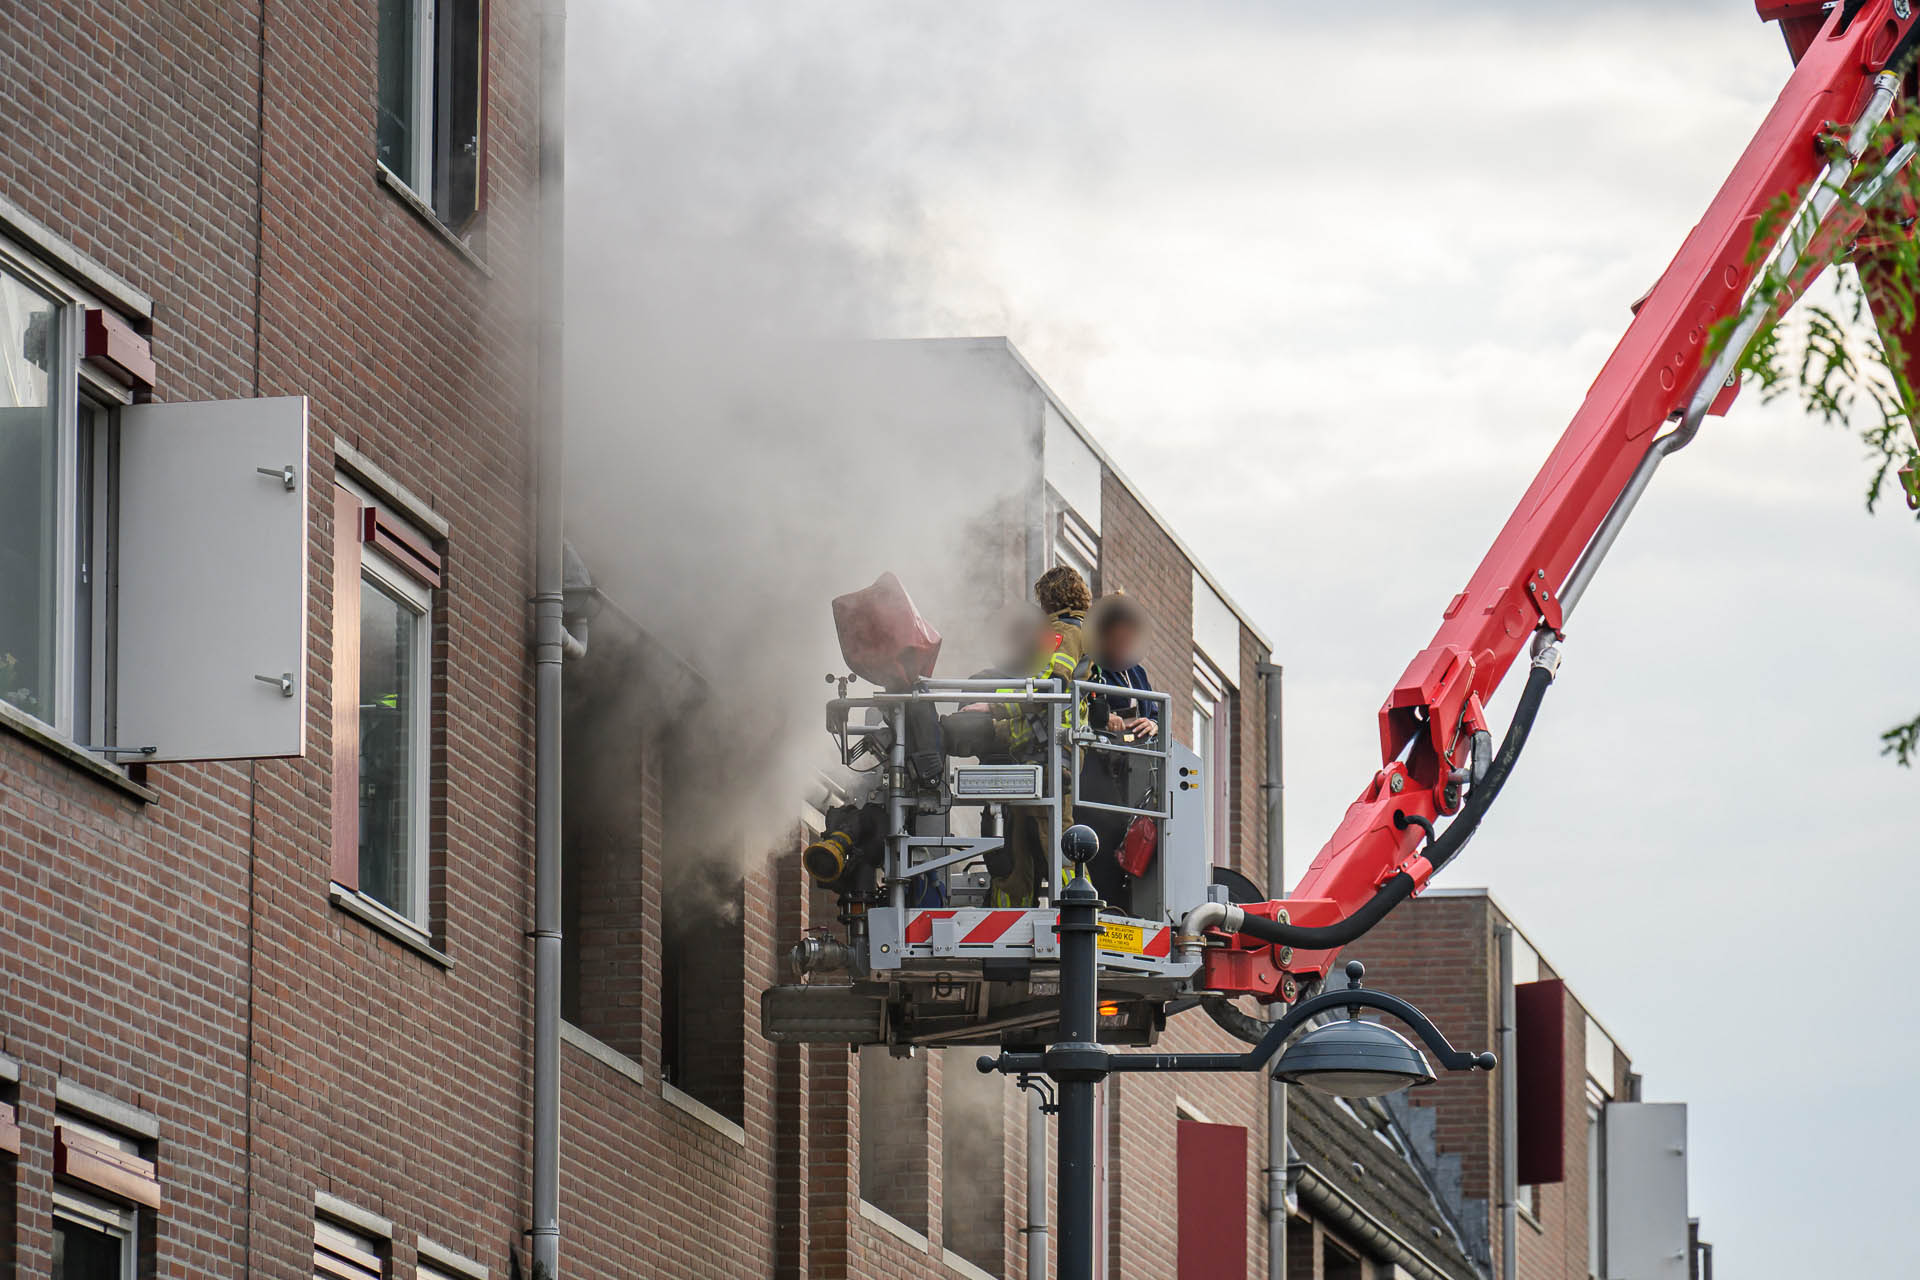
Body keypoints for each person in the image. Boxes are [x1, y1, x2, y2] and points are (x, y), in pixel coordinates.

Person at [986, 565, 1094, 907]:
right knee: (1020, 841)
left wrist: (994, 708)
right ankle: (1011, 911)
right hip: (1040, 752)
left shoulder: (1062, 631)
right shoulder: (1075, 632)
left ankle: (1079, 906)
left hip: (1050, 753)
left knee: (1055, 836)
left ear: (1050, 597)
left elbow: (1051, 685)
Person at [1088, 593, 1159, 740]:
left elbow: (1155, 713)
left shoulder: (1137, 673)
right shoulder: (1093, 666)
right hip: (1103, 752)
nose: (1124, 646)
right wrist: (1105, 717)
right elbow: (1081, 704)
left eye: (1127, 640)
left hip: (1137, 754)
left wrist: (1152, 724)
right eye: (1118, 640)